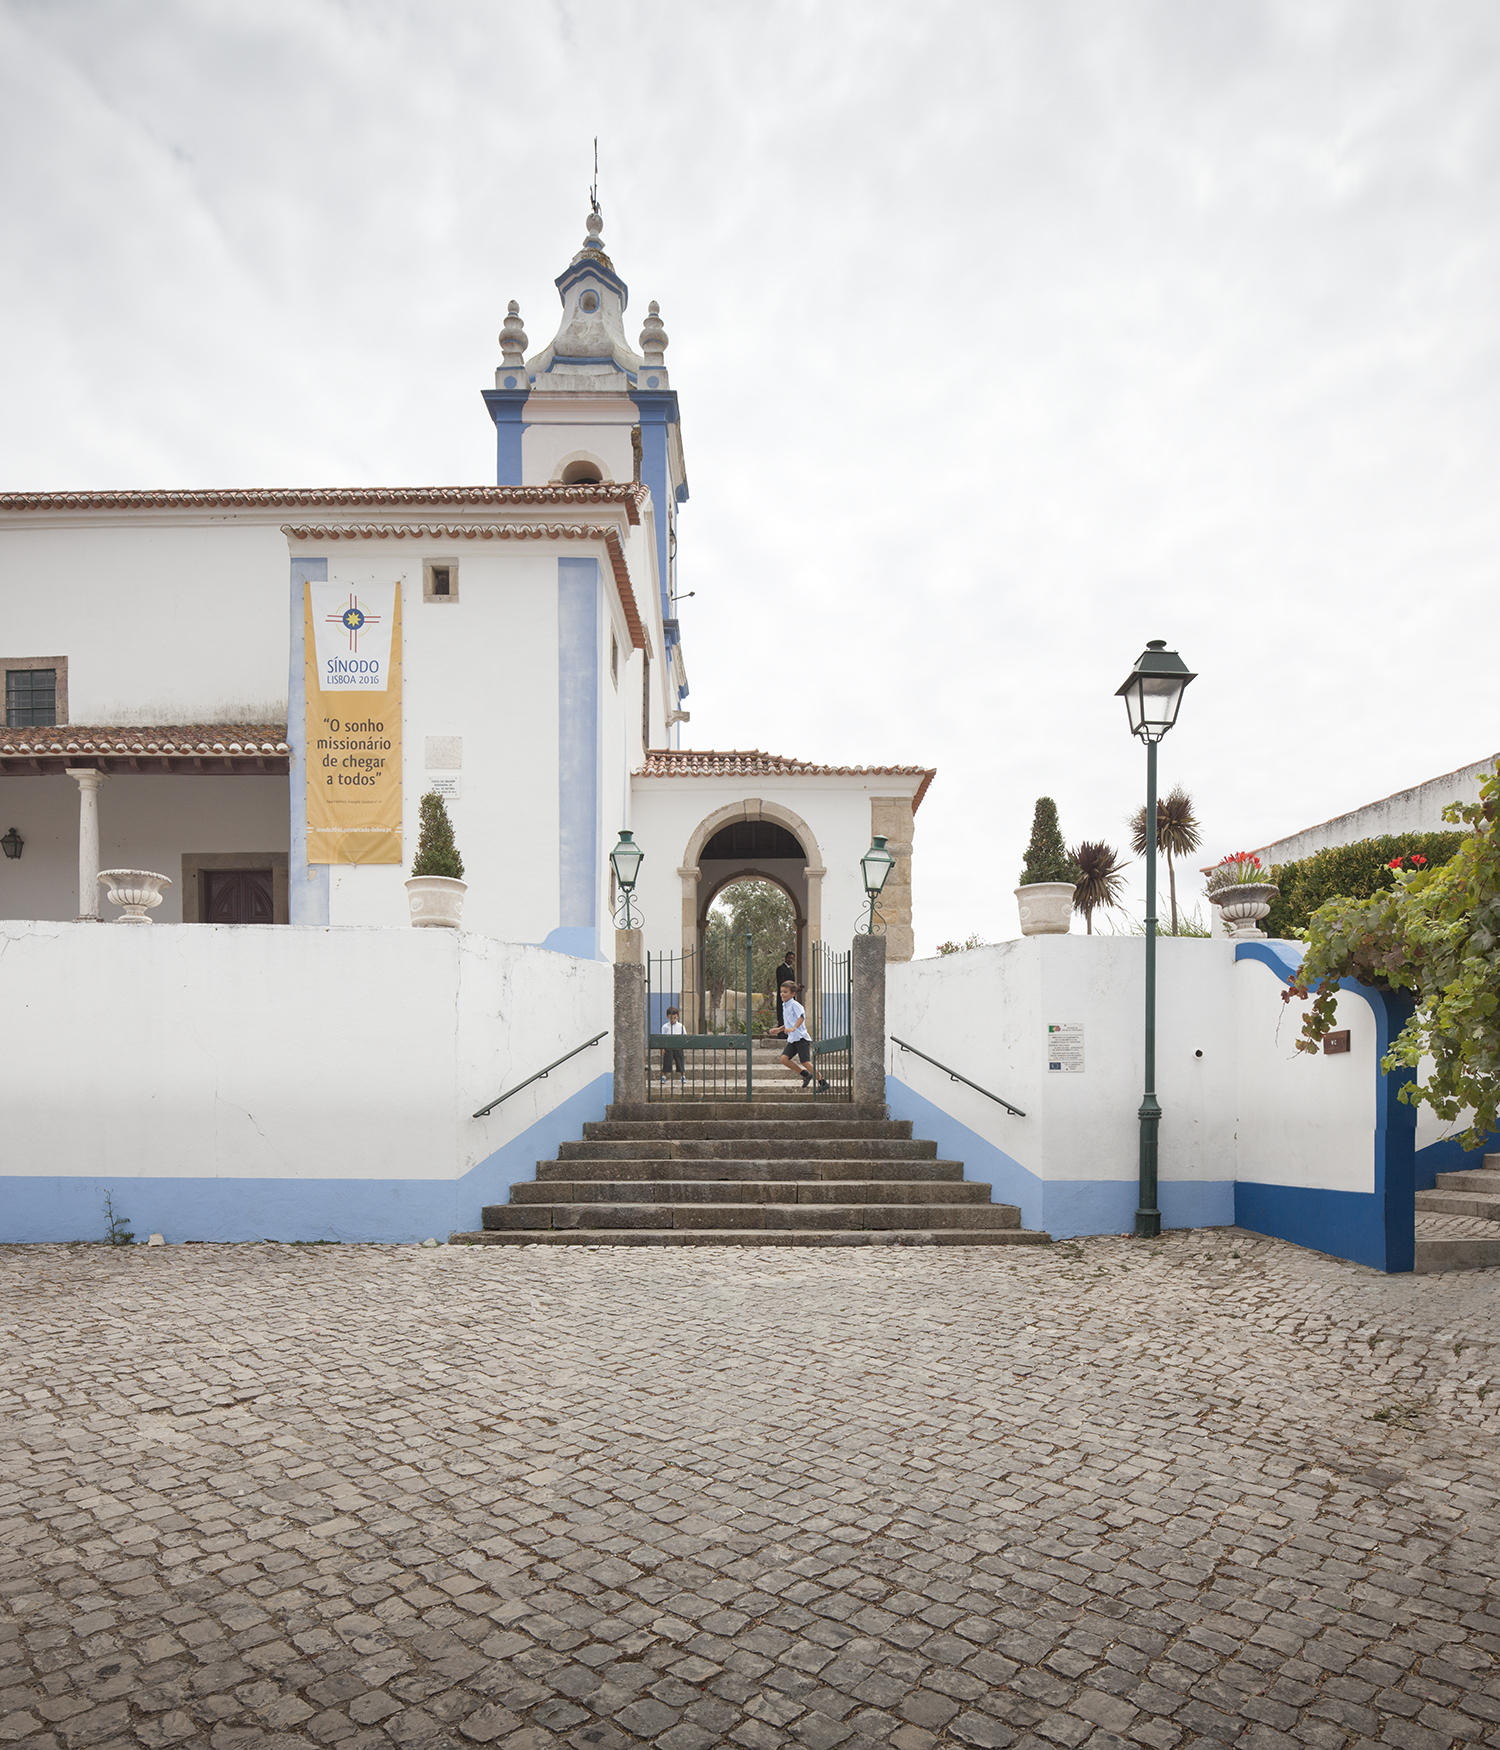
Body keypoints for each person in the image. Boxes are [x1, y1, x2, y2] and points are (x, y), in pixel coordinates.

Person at [770, 981, 827, 1090]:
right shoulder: (785, 1005)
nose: (782, 994)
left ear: (793, 993)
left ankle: (822, 1082)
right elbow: (789, 1023)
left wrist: (794, 1028)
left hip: (801, 1038)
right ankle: (806, 1074)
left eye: (785, 992)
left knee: (805, 1061)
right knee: (784, 1059)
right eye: (781, 992)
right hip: (793, 1039)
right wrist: (779, 1029)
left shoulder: (795, 1005)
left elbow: (801, 1017)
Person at [660, 1006, 686, 1083]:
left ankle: (683, 1076)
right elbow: (662, 1038)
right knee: (666, 1062)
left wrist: (682, 1045)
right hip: (668, 1047)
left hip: (678, 1047)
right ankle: (663, 1076)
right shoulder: (665, 1027)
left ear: (677, 1016)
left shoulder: (681, 1026)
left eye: (675, 1018)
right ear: (667, 1017)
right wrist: (662, 1048)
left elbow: (684, 1036)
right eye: (671, 1018)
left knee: (680, 1062)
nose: (673, 1020)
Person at [773, 949, 796, 1030]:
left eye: (792, 958)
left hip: (790, 996)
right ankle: (782, 1033)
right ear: (785, 958)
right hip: (784, 996)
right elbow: (782, 982)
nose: (790, 960)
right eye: (789, 958)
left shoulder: (791, 970)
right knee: (783, 1013)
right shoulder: (781, 969)